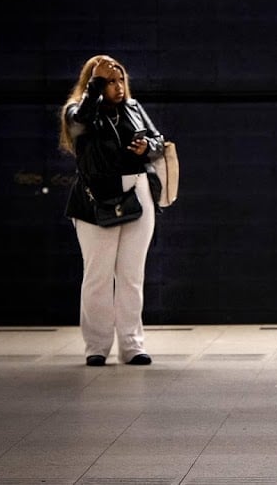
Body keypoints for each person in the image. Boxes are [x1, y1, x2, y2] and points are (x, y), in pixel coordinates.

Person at [59, 55, 167, 367]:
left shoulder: (133, 108)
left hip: (137, 192)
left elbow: (159, 141)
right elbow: (80, 122)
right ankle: (96, 346)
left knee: (131, 275)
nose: (118, 87)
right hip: (96, 198)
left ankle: (132, 345)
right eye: (109, 81)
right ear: (93, 84)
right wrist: (93, 85)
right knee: (98, 276)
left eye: (120, 79)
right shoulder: (78, 111)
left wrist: (149, 148)